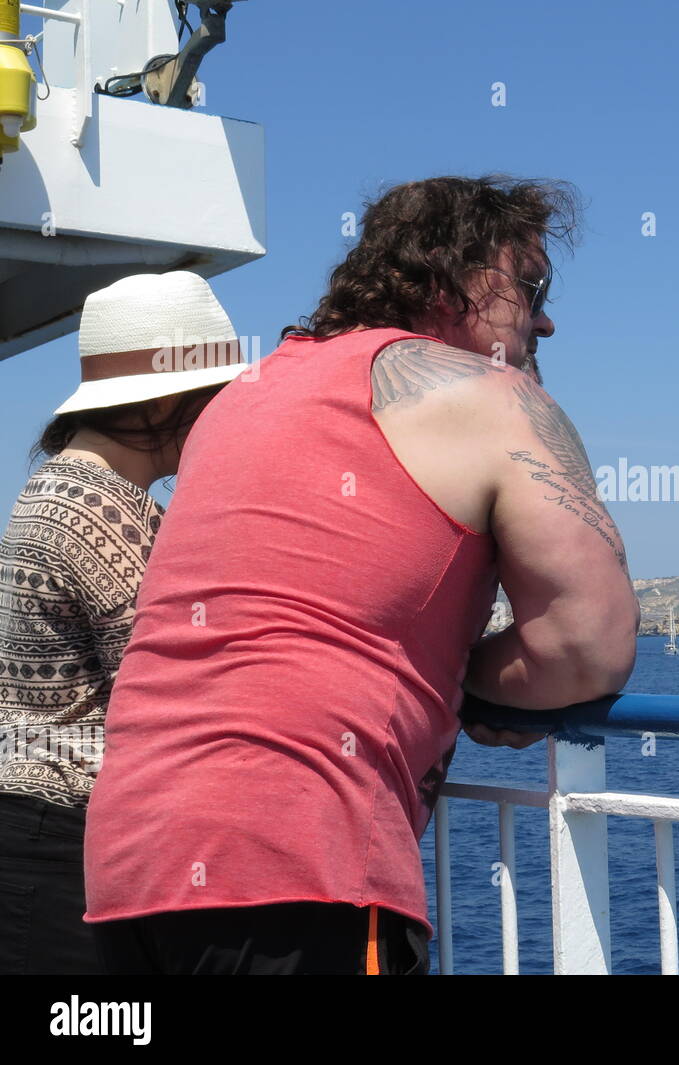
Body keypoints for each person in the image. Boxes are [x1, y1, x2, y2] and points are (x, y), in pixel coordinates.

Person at [83, 175, 641, 975]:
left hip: (133, 864)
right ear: (461, 277)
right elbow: (591, 642)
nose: (546, 316)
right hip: (296, 864)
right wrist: (469, 684)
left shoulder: (244, 396)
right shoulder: (494, 395)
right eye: (531, 285)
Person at [0, 271, 248, 974]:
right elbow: (189, 688)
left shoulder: (51, 488)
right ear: (164, 400)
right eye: (214, 398)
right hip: (69, 853)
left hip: (31, 837)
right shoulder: (112, 513)